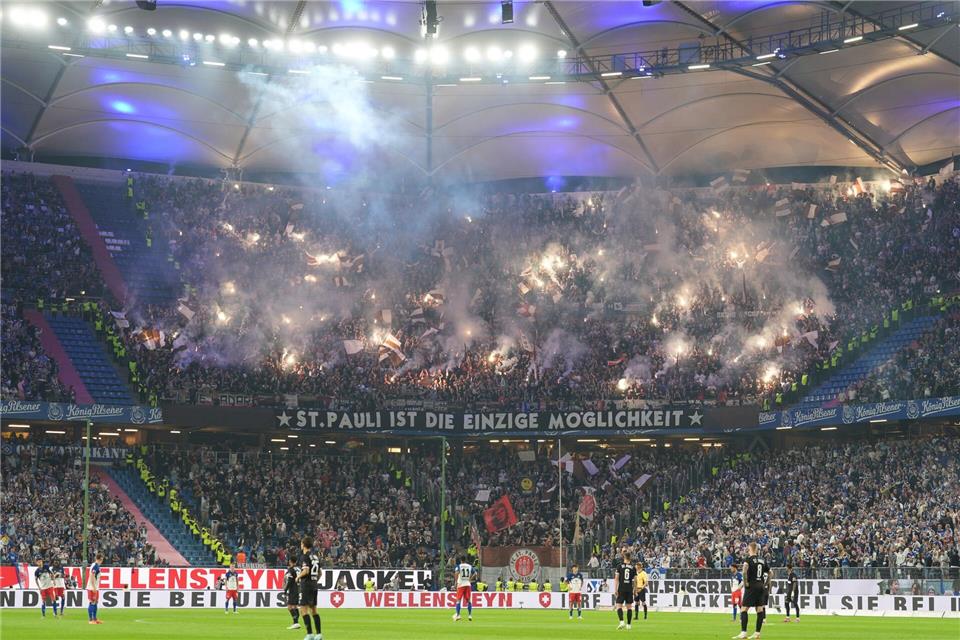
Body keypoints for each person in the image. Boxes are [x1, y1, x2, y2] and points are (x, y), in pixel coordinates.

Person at [733, 542, 767, 640]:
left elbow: (744, 571)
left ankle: (744, 633)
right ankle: (757, 633)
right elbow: (771, 572)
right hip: (760, 586)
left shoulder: (748, 559)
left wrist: (745, 583)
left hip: (751, 586)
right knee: (759, 609)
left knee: (744, 609)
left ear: (750, 548)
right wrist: (765, 583)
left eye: (748, 548)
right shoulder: (762, 560)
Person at [297, 536, 322, 640]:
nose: (300, 545)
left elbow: (306, 571)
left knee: (303, 609)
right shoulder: (315, 556)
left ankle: (310, 634)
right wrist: (314, 580)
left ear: (303, 544)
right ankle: (319, 634)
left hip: (306, 585)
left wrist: (298, 577)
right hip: (314, 585)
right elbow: (320, 573)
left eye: (301, 543)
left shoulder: (305, 556)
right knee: (314, 610)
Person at [614, 550, 636, 630]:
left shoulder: (619, 566)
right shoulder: (633, 567)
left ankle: (622, 622)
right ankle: (629, 625)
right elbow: (635, 580)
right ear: (630, 557)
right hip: (629, 589)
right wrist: (635, 590)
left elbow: (616, 578)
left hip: (621, 588)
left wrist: (615, 589)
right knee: (629, 607)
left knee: (618, 605)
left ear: (624, 557)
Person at [452, 556, 474, 622]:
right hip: (467, 584)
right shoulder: (469, 566)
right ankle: (470, 615)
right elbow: (475, 573)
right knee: (469, 600)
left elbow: (456, 573)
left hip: (461, 584)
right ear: (465, 560)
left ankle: (458, 615)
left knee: (458, 600)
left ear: (461, 560)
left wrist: (456, 582)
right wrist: (470, 579)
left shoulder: (459, 566)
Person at [86, 553, 103, 625]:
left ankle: (95, 619)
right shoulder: (95, 566)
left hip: (95, 587)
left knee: (95, 602)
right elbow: (92, 575)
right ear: (100, 559)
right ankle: (90, 620)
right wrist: (93, 587)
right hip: (92, 587)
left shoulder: (95, 565)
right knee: (92, 602)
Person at [285, 556, 301, 630]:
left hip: (293, 589)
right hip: (298, 588)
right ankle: (296, 623)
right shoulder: (298, 569)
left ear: (290, 561)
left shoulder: (291, 569)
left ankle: (296, 623)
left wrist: (285, 589)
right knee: (295, 607)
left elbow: (290, 581)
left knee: (290, 607)